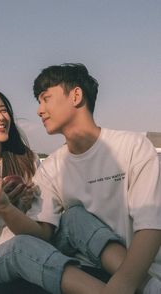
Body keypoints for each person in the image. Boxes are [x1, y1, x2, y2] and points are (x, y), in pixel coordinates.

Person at [0, 87, 127, 294]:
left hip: (36, 246)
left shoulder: (26, 160)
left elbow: (40, 218)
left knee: (74, 215)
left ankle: (139, 279)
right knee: (20, 246)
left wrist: (26, 203)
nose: (1, 117)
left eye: (3, 110)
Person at [27, 63, 161, 294]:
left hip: (141, 273)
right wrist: (3, 205)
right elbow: (43, 232)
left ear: (76, 95)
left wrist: (123, 286)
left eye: (46, 98)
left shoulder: (132, 147)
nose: (39, 110)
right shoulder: (50, 168)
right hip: (88, 274)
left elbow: (150, 225)